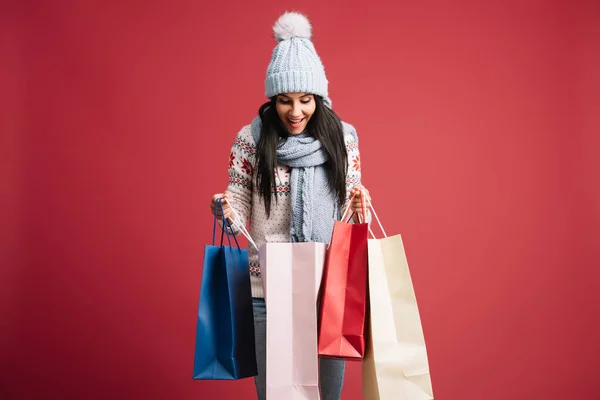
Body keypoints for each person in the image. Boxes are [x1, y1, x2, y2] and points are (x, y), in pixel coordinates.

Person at [209, 11, 370, 400]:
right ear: (272, 98)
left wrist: (361, 200)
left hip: (326, 288)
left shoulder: (342, 139)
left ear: (319, 97)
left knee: (327, 396)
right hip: (269, 287)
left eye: (305, 100)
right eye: (285, 101)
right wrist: (223, 209)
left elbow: (351, 204)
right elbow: (238, 207)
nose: (295, 112)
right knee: (277, 395)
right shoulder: (250, 140)